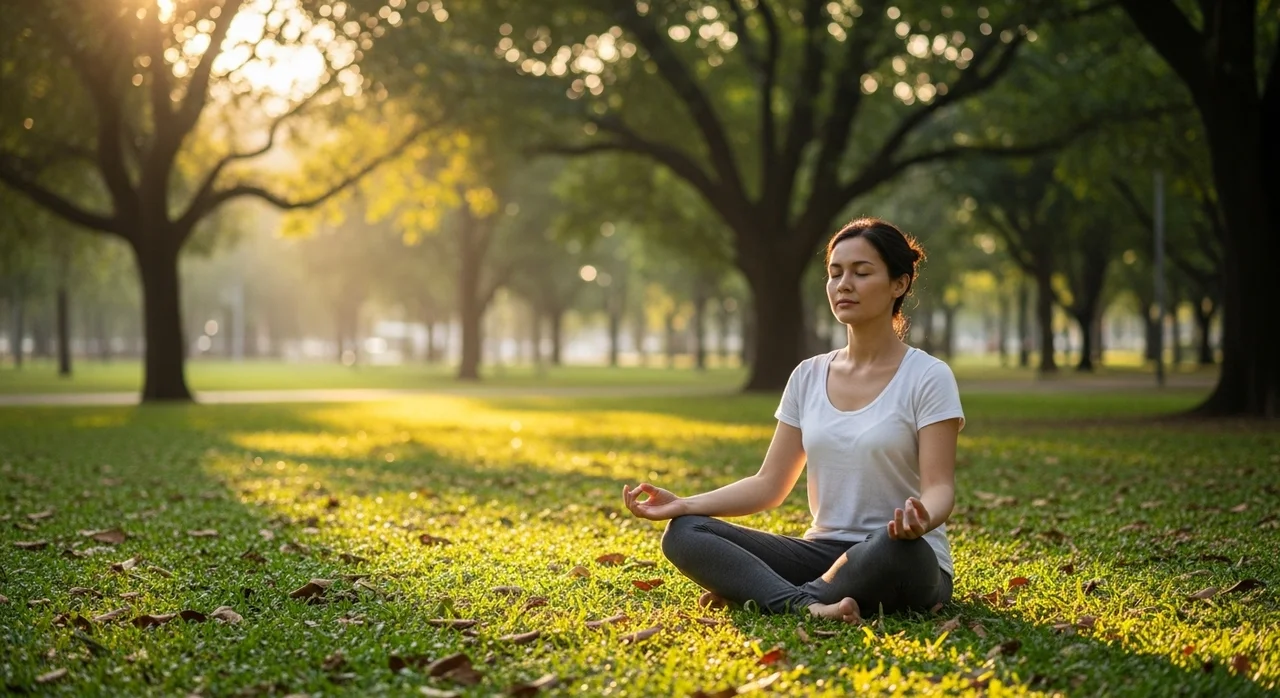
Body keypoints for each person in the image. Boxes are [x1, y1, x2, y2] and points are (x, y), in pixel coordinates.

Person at [622, 217, 964, 623]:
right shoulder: (808, 375)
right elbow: (769, 484)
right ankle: (807, 604)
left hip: (899, 552)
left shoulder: (927, 376)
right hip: (821, 554)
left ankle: (765, 594)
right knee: (685, 533)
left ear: (899, 284)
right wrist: (683, 504)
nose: (844, 284)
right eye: (835, 273)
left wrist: (921, 517)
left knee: (893, 552)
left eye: (861, 272)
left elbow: (940, 487)